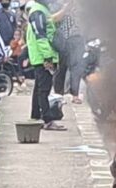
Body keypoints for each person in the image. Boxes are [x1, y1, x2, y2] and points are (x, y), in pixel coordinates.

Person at [26, 0, 66, 130]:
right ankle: (47, 120)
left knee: (39, 88)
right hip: (43, 57)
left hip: (40, 56)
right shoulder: (37, 11)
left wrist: (65, 9)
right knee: (44, 90)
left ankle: (36, 115)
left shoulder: (40, 9)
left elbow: (50, 22)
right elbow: (41, 36)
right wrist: (48, 57)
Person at [52, 1, 84, 103]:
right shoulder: (57, 5)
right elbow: (53, 19)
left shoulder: (81, 7)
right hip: (63, 41)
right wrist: (65, 9)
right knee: (61, 69)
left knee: (76, 69)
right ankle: (58, 95)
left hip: (77, 40)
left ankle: (75, 94)